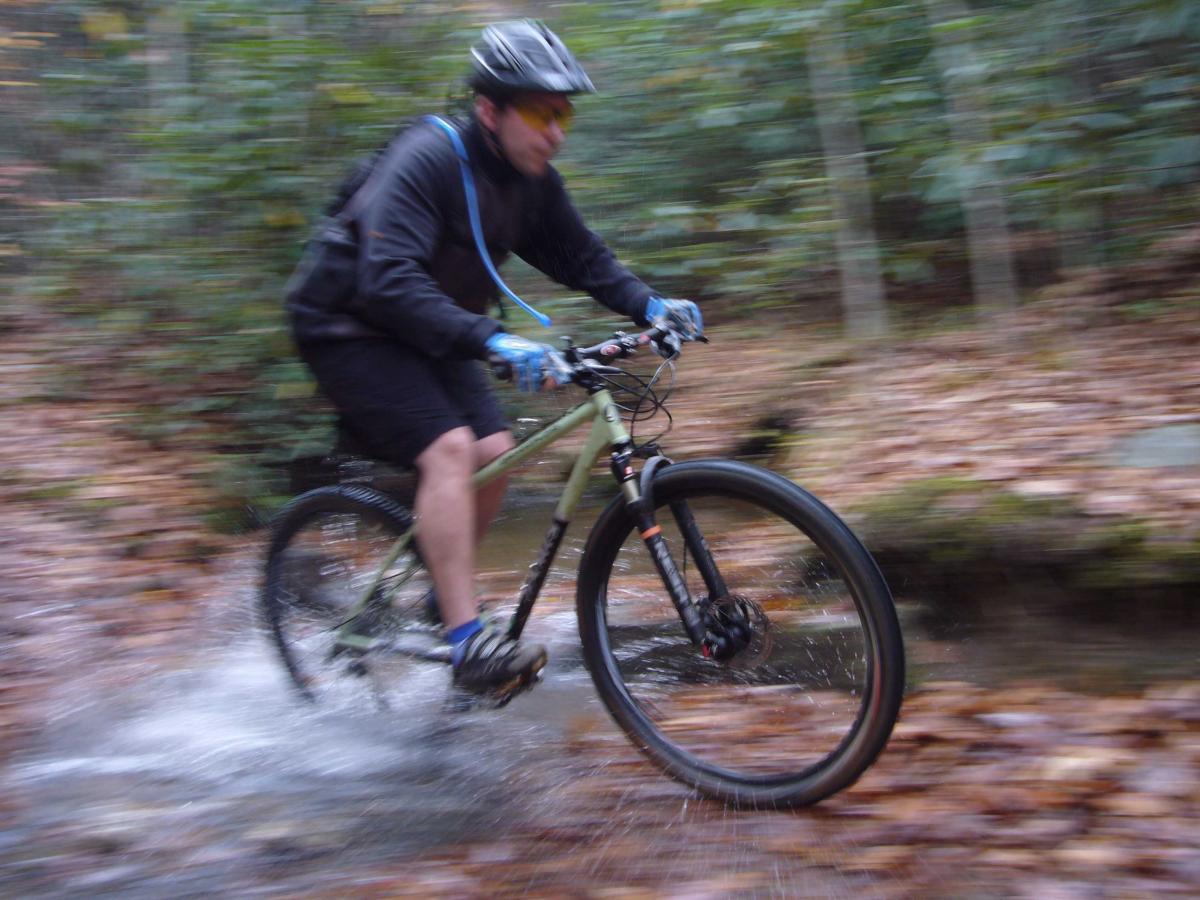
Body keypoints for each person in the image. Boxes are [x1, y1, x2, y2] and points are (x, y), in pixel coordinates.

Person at [288, 20, 703, 696]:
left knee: (496, 451)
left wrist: (650, 307)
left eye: (564, 112)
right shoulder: (428, 157)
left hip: (433, 328)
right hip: (346, 324)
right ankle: (465, 643)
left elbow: (582, 257)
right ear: (490, 109)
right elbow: (386, 280)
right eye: (541, 111)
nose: (557, 129)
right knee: (450, 449)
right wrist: (495, 342)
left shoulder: (531, 181)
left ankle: (437, 590)